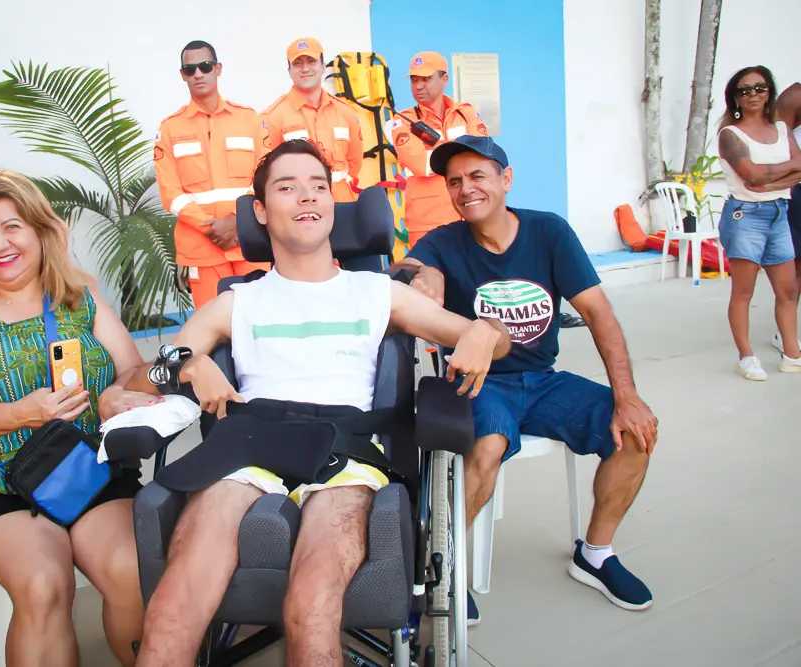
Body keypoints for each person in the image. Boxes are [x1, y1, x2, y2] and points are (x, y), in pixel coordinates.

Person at [118, 139, 511, 666]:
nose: (307, 197)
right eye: (287, 187)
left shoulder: (378, 292)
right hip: (246, 446)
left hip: (343, 453)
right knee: (173, 607)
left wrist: (486, 331)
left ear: (331, 202)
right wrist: (187, 364)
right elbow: (149, 374)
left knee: (311, 607)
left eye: (318, 187)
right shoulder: (237, 302)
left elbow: (488, 339)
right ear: (261, 211)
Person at [391, 135, 658, 621]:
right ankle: (445, 567)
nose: (466, 189)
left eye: (478, 176)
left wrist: (627, 396)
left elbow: (598, 313)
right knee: (488, 443)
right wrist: (422, 277)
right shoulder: (444, 242)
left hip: (542, 379)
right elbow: (407, 268)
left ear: (506, 179)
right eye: (455, 181)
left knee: (636, 432)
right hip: (478, 383)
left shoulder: (548, 232)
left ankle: (595, 554)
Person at [0, 171, 155, 667]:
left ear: (40, 229)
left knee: (131, 569)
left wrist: (118, 392)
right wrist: (18, 414)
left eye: (12, 226)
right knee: (42, 584)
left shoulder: (79, 296)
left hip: (88, 469)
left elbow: (132, 369)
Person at [154, 39, 271, 310]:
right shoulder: (170, 129)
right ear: (183, 75)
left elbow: (265, 177)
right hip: (201, 247)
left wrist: (236, 220)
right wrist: (212, 227)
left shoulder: (250, 120)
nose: (198, 74)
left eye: (205, 67)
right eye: (190, 69)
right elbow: (171, 194)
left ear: (218, 69)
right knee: (213, 323)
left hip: (248, 239)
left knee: (260, 316)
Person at [263, 38, 384, 272]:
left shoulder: (345, 112)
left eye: (311, 61)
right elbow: (268, 172)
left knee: (362, 275)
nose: (305, 68)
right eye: (298, 63)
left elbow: (354, 163)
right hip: (301, 214)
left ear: (322, 66)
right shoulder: (273, 117)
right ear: (289, 71)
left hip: (343, 210)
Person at [714, 66, 801, 381]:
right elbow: (750, 176)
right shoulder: (730, 134)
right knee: (743, 291)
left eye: (760, 88)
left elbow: (798, 165)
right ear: (735, 98)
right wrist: (782, 171)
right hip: (745, 215)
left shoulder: (781, 128)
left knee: (788, 289)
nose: (753, 94)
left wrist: (769, 179)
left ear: (769, 92)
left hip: (779, 212)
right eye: (744, 90)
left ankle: (792, 353)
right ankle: (746, 357)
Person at [384, 51, 488, 249]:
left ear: (444, 79)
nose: (418, 86)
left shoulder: (466, 114)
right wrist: (462, 152)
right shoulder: (404, 121)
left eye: (426, 79)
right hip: (427, 221)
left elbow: (482, 156)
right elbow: (421, 165)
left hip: (470, 214)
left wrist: (442, 153)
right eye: (414, 80)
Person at [775, 81, 801, 323]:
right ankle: (786, 334)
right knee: (794, 268)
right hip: (796, 190)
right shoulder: (796, 95)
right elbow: (776, 142)